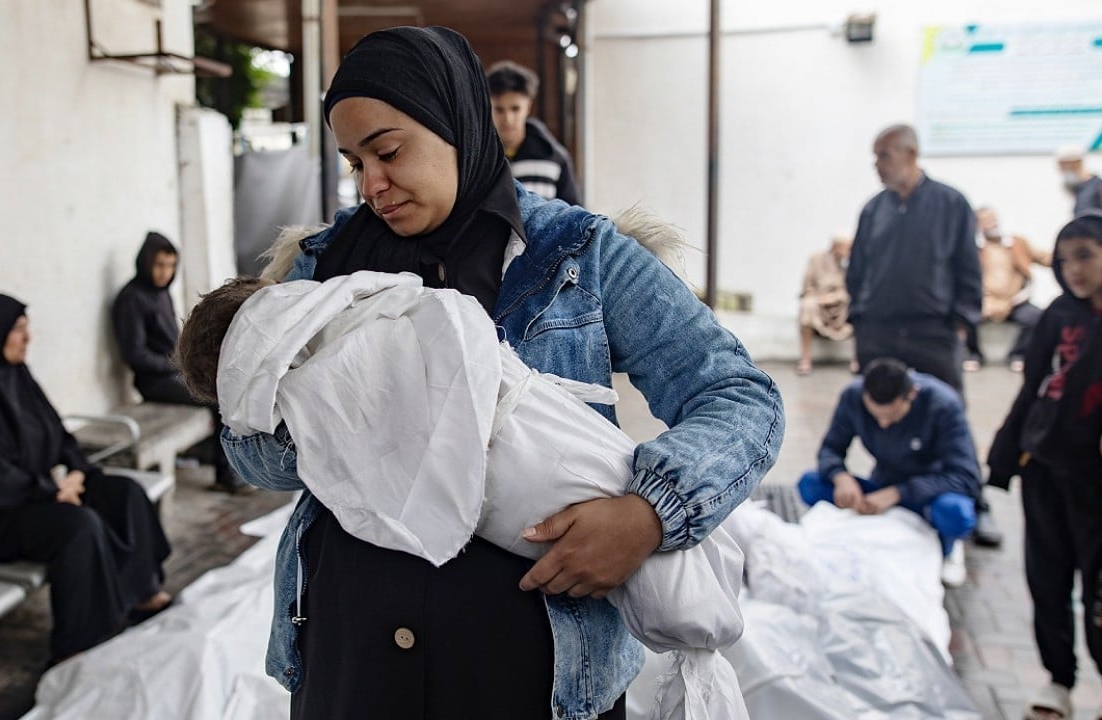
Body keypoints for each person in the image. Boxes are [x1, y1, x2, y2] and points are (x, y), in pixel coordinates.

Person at [210, 26, 784, 720]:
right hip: (353, 661)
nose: (372, 185)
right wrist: (334, 420)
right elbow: (248, 449)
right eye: (354, 161)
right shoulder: (322, 268)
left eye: (389, 151)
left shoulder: (580, 258)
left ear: (456, 122)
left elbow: (739, 395)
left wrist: (646, 517)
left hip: (532, 672)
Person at [0, 294, 172, 666]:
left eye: (27, 329)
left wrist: (76, 471)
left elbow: (56, 434)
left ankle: (140, 592)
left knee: (124, 492)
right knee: (77, 527)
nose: (28, 339)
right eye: (18, 330)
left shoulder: (17, 379)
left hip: (30, 496)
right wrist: (52, 490)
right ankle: (82, 639)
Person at [846, 123, 1002, 547]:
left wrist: (958, 324)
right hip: (879, 332)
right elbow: (858, 269)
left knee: (950, 413)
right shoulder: (873, 209)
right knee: (882, 408)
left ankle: (975, 500)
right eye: (876, 156)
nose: (877, 165)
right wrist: (860, 318)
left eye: (884, 156)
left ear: (911, 155)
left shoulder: (951, 203)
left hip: (931, 333)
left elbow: (968, 270)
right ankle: (895, 485)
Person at [987, 212, 1102, 720]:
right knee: (1048, 579)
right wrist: (1007, 453)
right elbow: (1032, 386)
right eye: (1064, 258)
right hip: (1047, 471)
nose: (1073, 268)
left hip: (1095, 484)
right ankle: (1059, 679)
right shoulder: (1057, 315)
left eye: (1086, 256)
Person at [797, 357, 981, 588]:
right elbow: (830, 449)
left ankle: (949, 548)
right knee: (810, 483)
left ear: (911, 395)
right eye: (876, 417)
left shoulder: (943, 405)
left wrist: (899, 493)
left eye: (892, 416)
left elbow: (966, 477)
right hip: (880, 486)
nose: (883, 424)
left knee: (956, 513)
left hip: (929, 494)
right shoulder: (853, 396)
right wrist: (840, 476)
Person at [112, 231, 245, 493]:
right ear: (146, 263)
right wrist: (177, 365)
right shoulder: (131, 298)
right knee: (214, 397)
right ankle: (226, 477)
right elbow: (135, 355)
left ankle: (225, 464)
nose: (165, 272)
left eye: (170, 266)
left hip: (174, 372)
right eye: (160, 265)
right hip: (154, 381)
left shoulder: (161, 293)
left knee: (228, 383)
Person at [962, 206, 1052, 373]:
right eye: (987, 221)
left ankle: (1018, 355)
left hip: (1015, 301)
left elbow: (1045, 257)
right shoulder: (972, 249)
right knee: (966, 315)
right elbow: (964, 278)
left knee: (1037, 317)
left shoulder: (1017, 243)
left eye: (994, 219)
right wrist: (986, 302)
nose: (993, 224)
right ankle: (974, 355)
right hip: (985, 301)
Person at [486, 59, 582, 206]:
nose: (508, 119)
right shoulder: (477, 159)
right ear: (488, 106)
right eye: (499, 109)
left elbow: (574, 215)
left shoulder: (555, 158)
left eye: (515, 108)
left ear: (528, 106)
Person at [797, 233, 853, 375]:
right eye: (846, 248)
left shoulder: (851, 264)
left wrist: (835, 297)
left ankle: (857, 361)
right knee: (807, 306)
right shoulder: (816, 259)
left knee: (858, 308)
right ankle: (805, 359)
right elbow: (807, 287)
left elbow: (852, 289)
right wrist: (820, 298)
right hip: (817, 301)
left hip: (840, 304)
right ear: (836, 247)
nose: (848, 252)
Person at [1057, 145, 1102, 218]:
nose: (1062, 170)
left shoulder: (1097, 187)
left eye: (1063, 165)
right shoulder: (1077, 189)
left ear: (1076, 163)